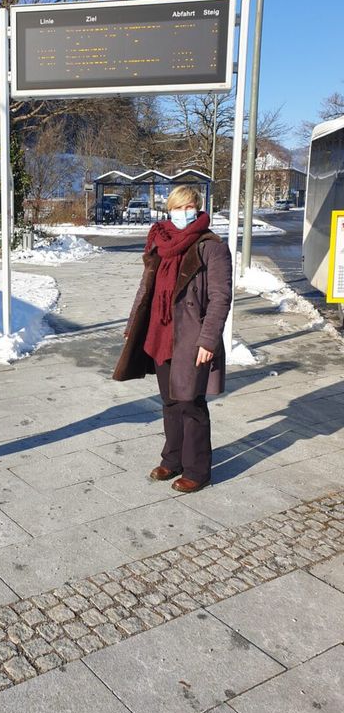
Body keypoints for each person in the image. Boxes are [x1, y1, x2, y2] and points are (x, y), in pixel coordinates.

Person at [113, 186, 232, 492]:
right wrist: (133, 324)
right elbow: (146, 289)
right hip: (159, 333)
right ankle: (174, 458)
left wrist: (208, 340)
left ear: (198, 208)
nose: (182, 213)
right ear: (169, 210)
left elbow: (220, 298)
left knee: (190, 402)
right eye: (177, 208)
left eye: (188, 207)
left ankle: (198, 470)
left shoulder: (211, 247)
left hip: (192, 337)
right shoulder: (159, 241)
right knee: (169, 401)